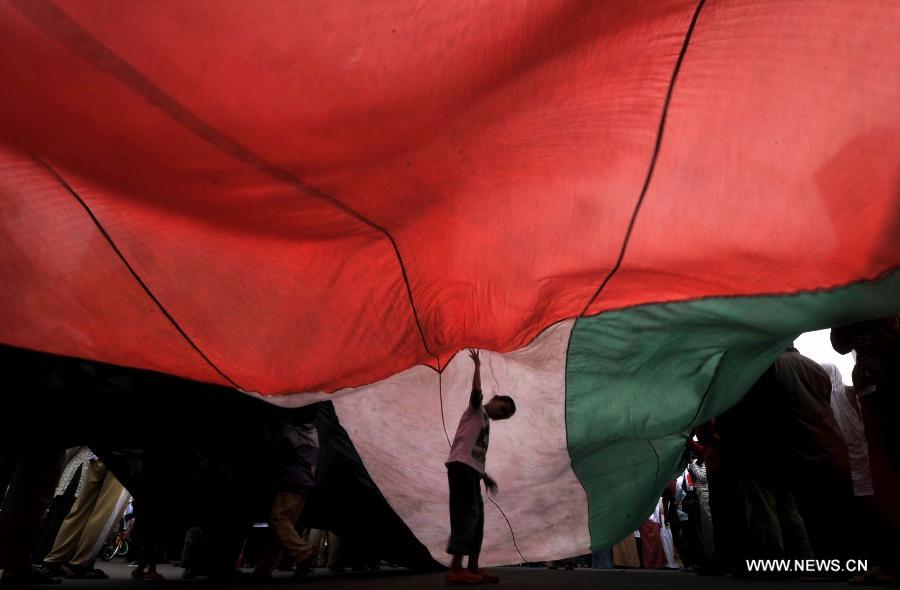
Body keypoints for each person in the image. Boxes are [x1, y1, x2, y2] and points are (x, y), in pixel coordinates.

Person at [831, 318, 900, 585]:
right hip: (873, 381)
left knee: (885, 468)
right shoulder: (865, 300)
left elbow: (839, 342)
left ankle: (892, 564)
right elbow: (838, 343)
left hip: (879, 381)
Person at [445, 349, 516, 585]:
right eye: (502, 409)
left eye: (504, 416)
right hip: (460, 468)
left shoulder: (485, 423)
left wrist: (485, 477)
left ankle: (473, 567)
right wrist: (477, 366)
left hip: (471, 471)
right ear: (495, 399)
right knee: (466, 514)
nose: (501, 414)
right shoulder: (476, 411)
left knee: (478, 517)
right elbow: (476, 392)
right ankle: (456, 569)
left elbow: (474, 454)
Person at [252, 411, 320, 579]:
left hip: (292, 481)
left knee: (278, 519)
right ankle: (264, 568)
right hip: (305, 484)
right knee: (282, 529)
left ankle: (304, 553)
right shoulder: (313, 433)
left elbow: (279, 447)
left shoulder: (295, 434)